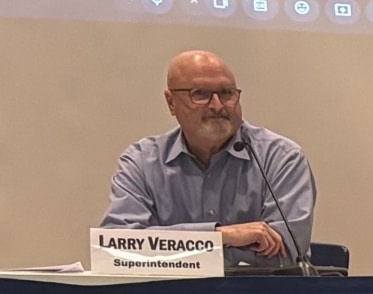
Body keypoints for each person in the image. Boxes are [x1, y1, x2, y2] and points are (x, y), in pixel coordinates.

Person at [101, 50, 314, 270]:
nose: (217, 106)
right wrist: (219, 236)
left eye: (226, 93)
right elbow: (116, 248)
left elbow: (285, 254)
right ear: (171, 102)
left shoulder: (281, 158)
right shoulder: (142, 162)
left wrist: (166, 251)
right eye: (200, 94)